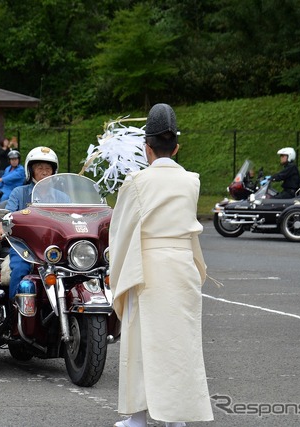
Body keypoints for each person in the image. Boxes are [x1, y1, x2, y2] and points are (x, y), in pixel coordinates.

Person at [110, 103, 213, 427]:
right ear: (177, 146)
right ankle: (176, 418)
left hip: (148, 267)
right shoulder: (191, 181)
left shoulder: (136, 182)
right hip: (181, 267)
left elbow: (121, 230)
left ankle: (138, 418)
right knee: (180, 345)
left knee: (141, 342)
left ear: (147, 148)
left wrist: (116, 270)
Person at [0, 146, 58, 300]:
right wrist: (1, 229)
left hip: (54, 247)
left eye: (48, 168)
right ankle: (15, 315)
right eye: (40, 168)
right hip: (24, 246)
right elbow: (7, 215)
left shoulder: (61, 196)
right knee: (19, 270)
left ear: (54, 171)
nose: (44, 172)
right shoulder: (19, 192)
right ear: (31, 170)